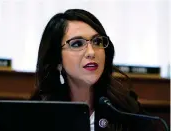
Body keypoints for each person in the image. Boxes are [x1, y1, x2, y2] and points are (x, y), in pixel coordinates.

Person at [30, 9, 162, 131]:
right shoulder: (38, 115)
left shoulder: (125, 110)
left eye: (97, 42)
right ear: (57, 60)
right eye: (77, 44)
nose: (91, 52)